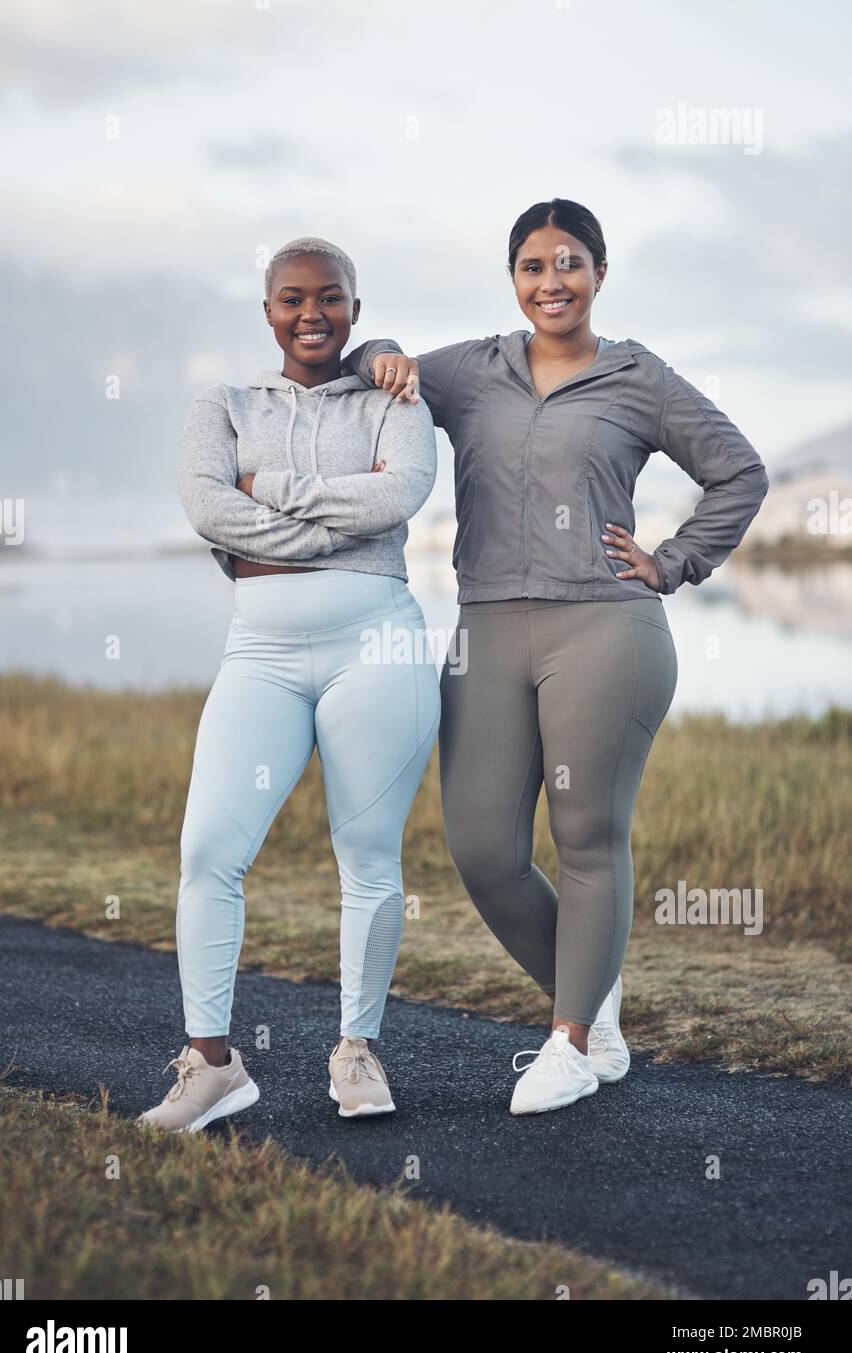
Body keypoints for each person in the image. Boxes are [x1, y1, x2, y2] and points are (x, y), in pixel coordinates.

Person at [342, 198, 769, 1116]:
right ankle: (595, 1004)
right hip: (488, 627)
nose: (552, 283)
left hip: (605, 629)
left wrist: (676, 561)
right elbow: (369, 361)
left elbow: (741, 471)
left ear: (600, 274)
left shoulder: (639, 378)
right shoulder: (471, 372)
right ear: (514, 280)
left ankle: (571, 1041)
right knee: (483, 846)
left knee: (586, 838)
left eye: (570, 264)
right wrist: (375, 356)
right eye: (534, 267)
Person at [138, 237, 440, 1133]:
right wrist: (328, 529)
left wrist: (266, 492)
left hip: (377, 645)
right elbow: (204, 506)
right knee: (208, 852)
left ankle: (356, 1050)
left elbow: (400, 499)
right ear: (267, 308)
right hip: (259, 658)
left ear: (354, 305)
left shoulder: (395, 395)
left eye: (332, 297)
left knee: (371, 859)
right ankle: (213, 1067)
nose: (313, 312)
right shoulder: (220, 406)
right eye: (292, 298)